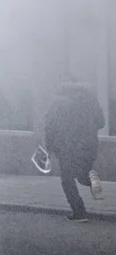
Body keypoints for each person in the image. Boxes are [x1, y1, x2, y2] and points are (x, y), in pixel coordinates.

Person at [45, 77, 104, 222]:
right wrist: (87, 132)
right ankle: (92, 181)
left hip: (67, 146)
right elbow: (101, 122)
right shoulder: (90, 100)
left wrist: (49, 146)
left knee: (67, 179)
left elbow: (50, 126)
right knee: (83, 175)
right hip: (88, 145)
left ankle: (79, 212)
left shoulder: (58, 102)